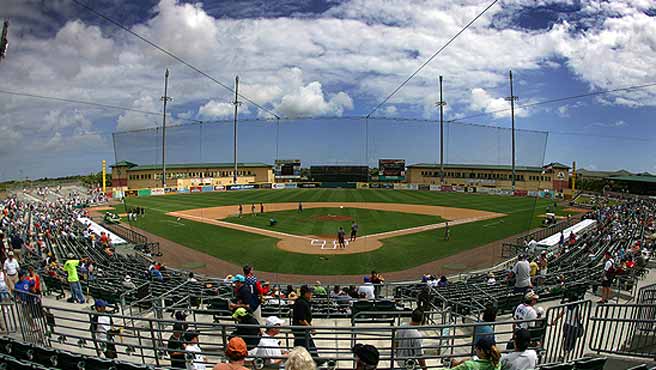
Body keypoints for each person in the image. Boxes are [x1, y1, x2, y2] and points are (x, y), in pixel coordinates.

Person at [550, 291, 584, 357]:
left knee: (566, 339)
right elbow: (579, 318)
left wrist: (555, 320)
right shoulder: (577, 307)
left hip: (566, 325)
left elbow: (561, 313)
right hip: (574, 327)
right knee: (572, 340)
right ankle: (567, 352)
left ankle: (564, 352)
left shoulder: (567, 306)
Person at [292, 285, 319, 360]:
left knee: (300, 346)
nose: (312, 294)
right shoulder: (301, 303)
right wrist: (311, 329)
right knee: (309, 346)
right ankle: (316, 360)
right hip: (301, 330)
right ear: (306, 294)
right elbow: (301, 320)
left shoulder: (303, 302)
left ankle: (297, 360)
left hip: (303, 329)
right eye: (310, 292)